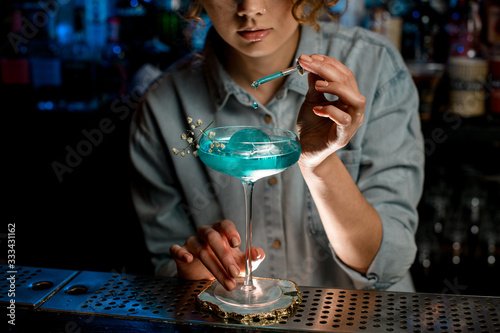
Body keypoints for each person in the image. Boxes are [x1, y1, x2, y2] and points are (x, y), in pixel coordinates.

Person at [129, 0, 424, 292]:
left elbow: (388, 264)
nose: (250, 8)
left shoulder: (374, 64)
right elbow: (164, 273)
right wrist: (195, 270)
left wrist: (319, 163)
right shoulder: (162, 105)